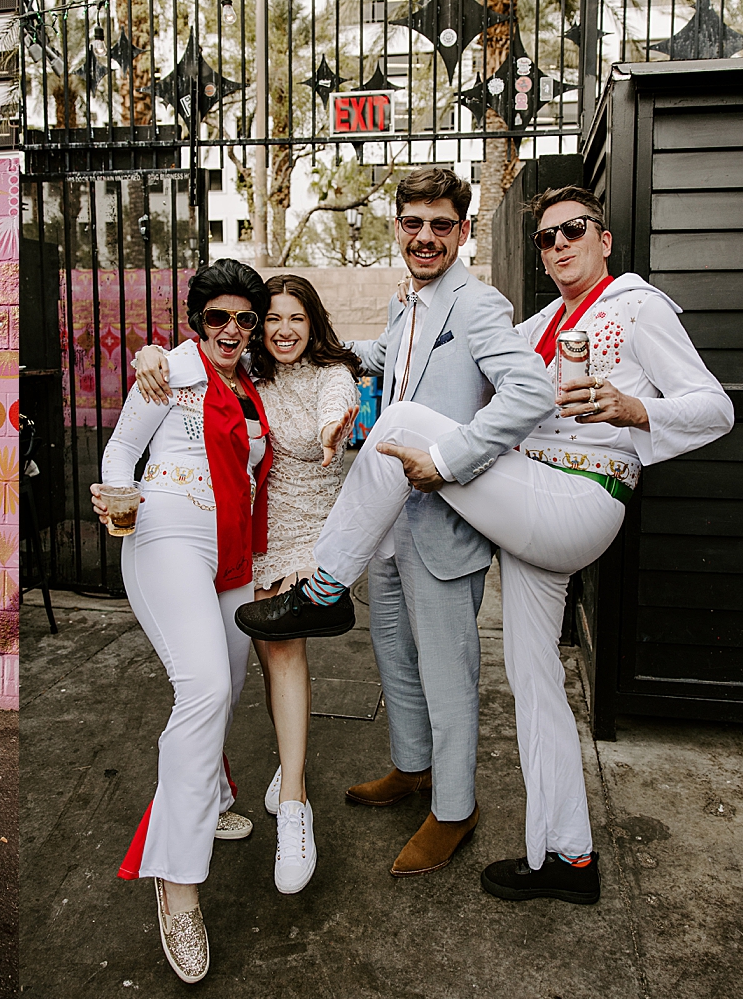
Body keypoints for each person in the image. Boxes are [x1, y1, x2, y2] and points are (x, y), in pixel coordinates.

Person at [257, 184, 734, 904]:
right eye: (547, 238)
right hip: (531, 501)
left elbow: (715, 408)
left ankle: (323, 588)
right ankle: (569, 859)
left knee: (400, 425)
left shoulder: (637, 305)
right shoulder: (545, 320)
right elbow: (395, 354)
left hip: (582, 495)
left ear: (604, 238)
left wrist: (638, 409)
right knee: (534, 680)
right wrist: (304, 342)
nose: (560, 244)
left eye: (575, 229)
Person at [246, 168, 555, 879]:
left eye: (440, 225)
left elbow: (532, 388)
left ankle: (455, 808)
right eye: (413, 223)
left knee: (449, 676)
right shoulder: (406, 304)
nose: (425, 237)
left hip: (444, 520)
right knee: (395, 660)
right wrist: (336, 370)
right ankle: (413, 770)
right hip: (387, 520)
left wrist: (452, 456)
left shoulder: (479, 306)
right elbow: (387, 363)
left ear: (462, 231)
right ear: (398, 227)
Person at [129, 273, 360, 897]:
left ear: (313, 325)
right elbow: (181, 380)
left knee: (280, 655)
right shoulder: (243, 377)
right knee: (222, 681)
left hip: (303, 538)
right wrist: (151, 353)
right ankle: (213, 803)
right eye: (272, 319)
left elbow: (338, 401)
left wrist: (340, 423)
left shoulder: (329, 373)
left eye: (295, 319)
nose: (281, 330)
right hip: (245, 540)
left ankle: (294, 804)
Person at [89, 260, 272, 984]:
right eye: (218, 317)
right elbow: (118, 450)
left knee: (226, 685)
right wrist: (117, 495)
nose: (231, 330)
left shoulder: (252, 382)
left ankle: (215, 797)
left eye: (244, 319)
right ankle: (178, 882)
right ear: (198, 319)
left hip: (232, 549)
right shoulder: (168, 370)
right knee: (201, 689)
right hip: (166, 531)